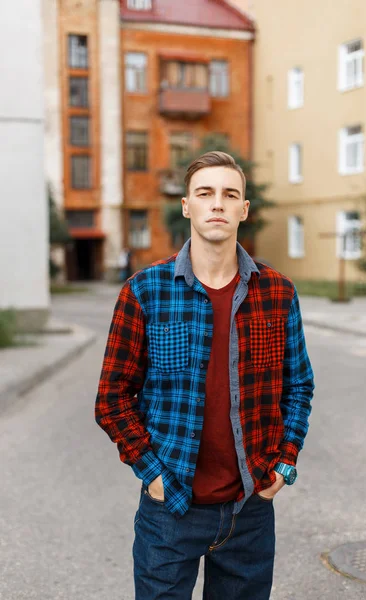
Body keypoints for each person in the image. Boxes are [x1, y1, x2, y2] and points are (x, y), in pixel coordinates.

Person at [95, 151, 315, 600]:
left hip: (250, 510)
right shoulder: (144, 290)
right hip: (170, 508)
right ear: (187, 206)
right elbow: (112, 397)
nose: (217, 203)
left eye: (229, 194)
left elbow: (298, 386)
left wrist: (285, 460)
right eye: (205, 193)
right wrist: (151, 472)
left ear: (243, 210)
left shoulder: (277, 292)